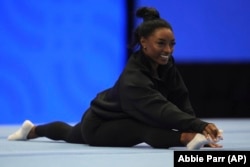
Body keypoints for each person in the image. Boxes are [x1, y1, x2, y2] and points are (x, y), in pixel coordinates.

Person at [8, 7, 223, 150]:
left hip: (121, 118)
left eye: (172, 44)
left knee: (69, 132)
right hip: (101, 124)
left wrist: (197, 129)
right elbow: (160, 109)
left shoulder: (167, 65)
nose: (168, 50)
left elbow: (180, 98)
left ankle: (32, 130)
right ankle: (185, 140)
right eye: (161, 43)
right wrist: (196, 129)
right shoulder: (134, 78)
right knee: (143, 128)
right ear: (144, 42)